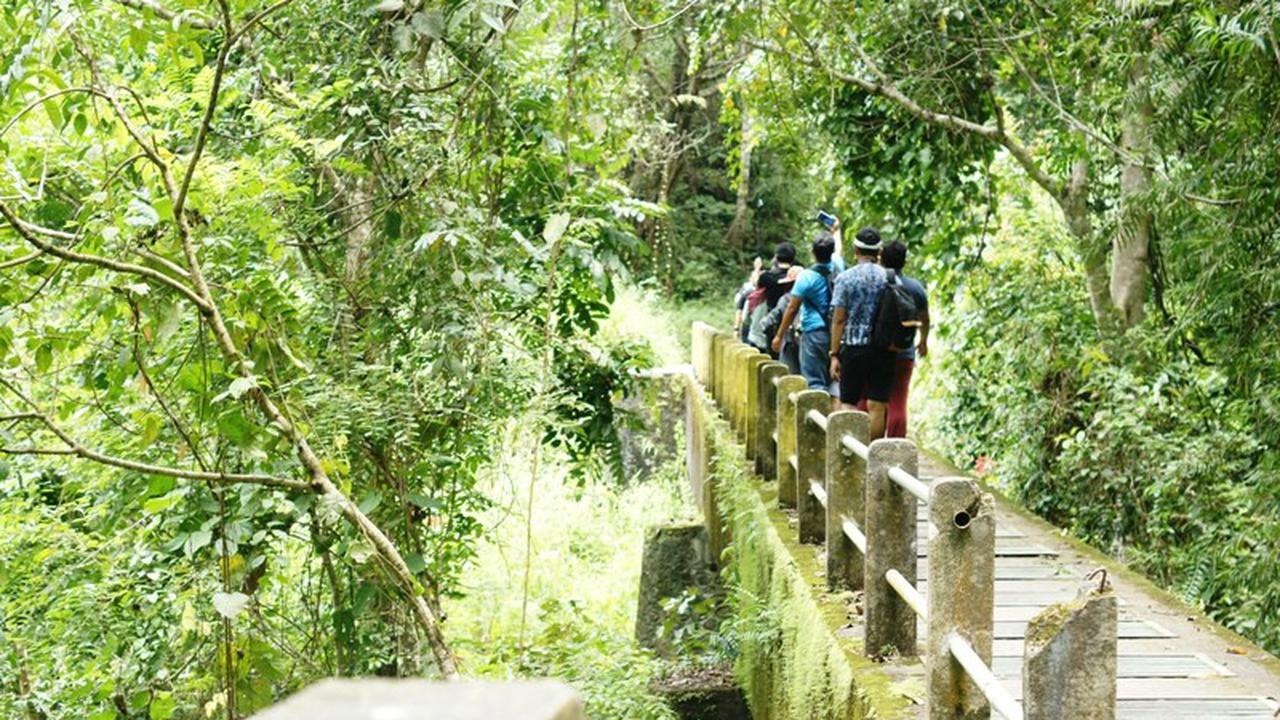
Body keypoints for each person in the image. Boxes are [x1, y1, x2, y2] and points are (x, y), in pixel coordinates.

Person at [828, 227, 892, 438]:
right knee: (877, 405)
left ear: (856, 250)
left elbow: (839, 319)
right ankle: (873, 452)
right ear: (879, 252)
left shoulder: (845, 278)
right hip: (883, 348)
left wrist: (834, 354)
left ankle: (849, 452)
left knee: (848, 402)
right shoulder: (888, 278)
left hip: (854, 346)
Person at [770, 218, 845, 395]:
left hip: (813, 333)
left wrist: (779, 336)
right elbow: (839, 251)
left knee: (814, 383)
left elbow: (792, 308)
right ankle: (834, 412)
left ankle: (817, 412)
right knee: (834, 381)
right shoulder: (838, 267)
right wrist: (836, 230)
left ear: (812, 252)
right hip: (836, 332)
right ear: (831, 252)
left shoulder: (806, 277)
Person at [879, 240, 930, 438]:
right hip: (904, 350)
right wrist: (923, 341)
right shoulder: (915, 288)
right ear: (904, 261)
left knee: (873, 400)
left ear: (882, 259)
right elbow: (925, 318)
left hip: (879, 350)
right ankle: (896, 446)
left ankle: (870, 445)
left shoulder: (878, 283)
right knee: (898, 402)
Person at [733, 256, 765, 342]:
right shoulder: (747, 291)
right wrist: (736, 328)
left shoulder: (767, 293)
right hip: (747, 325)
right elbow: (739, 309)